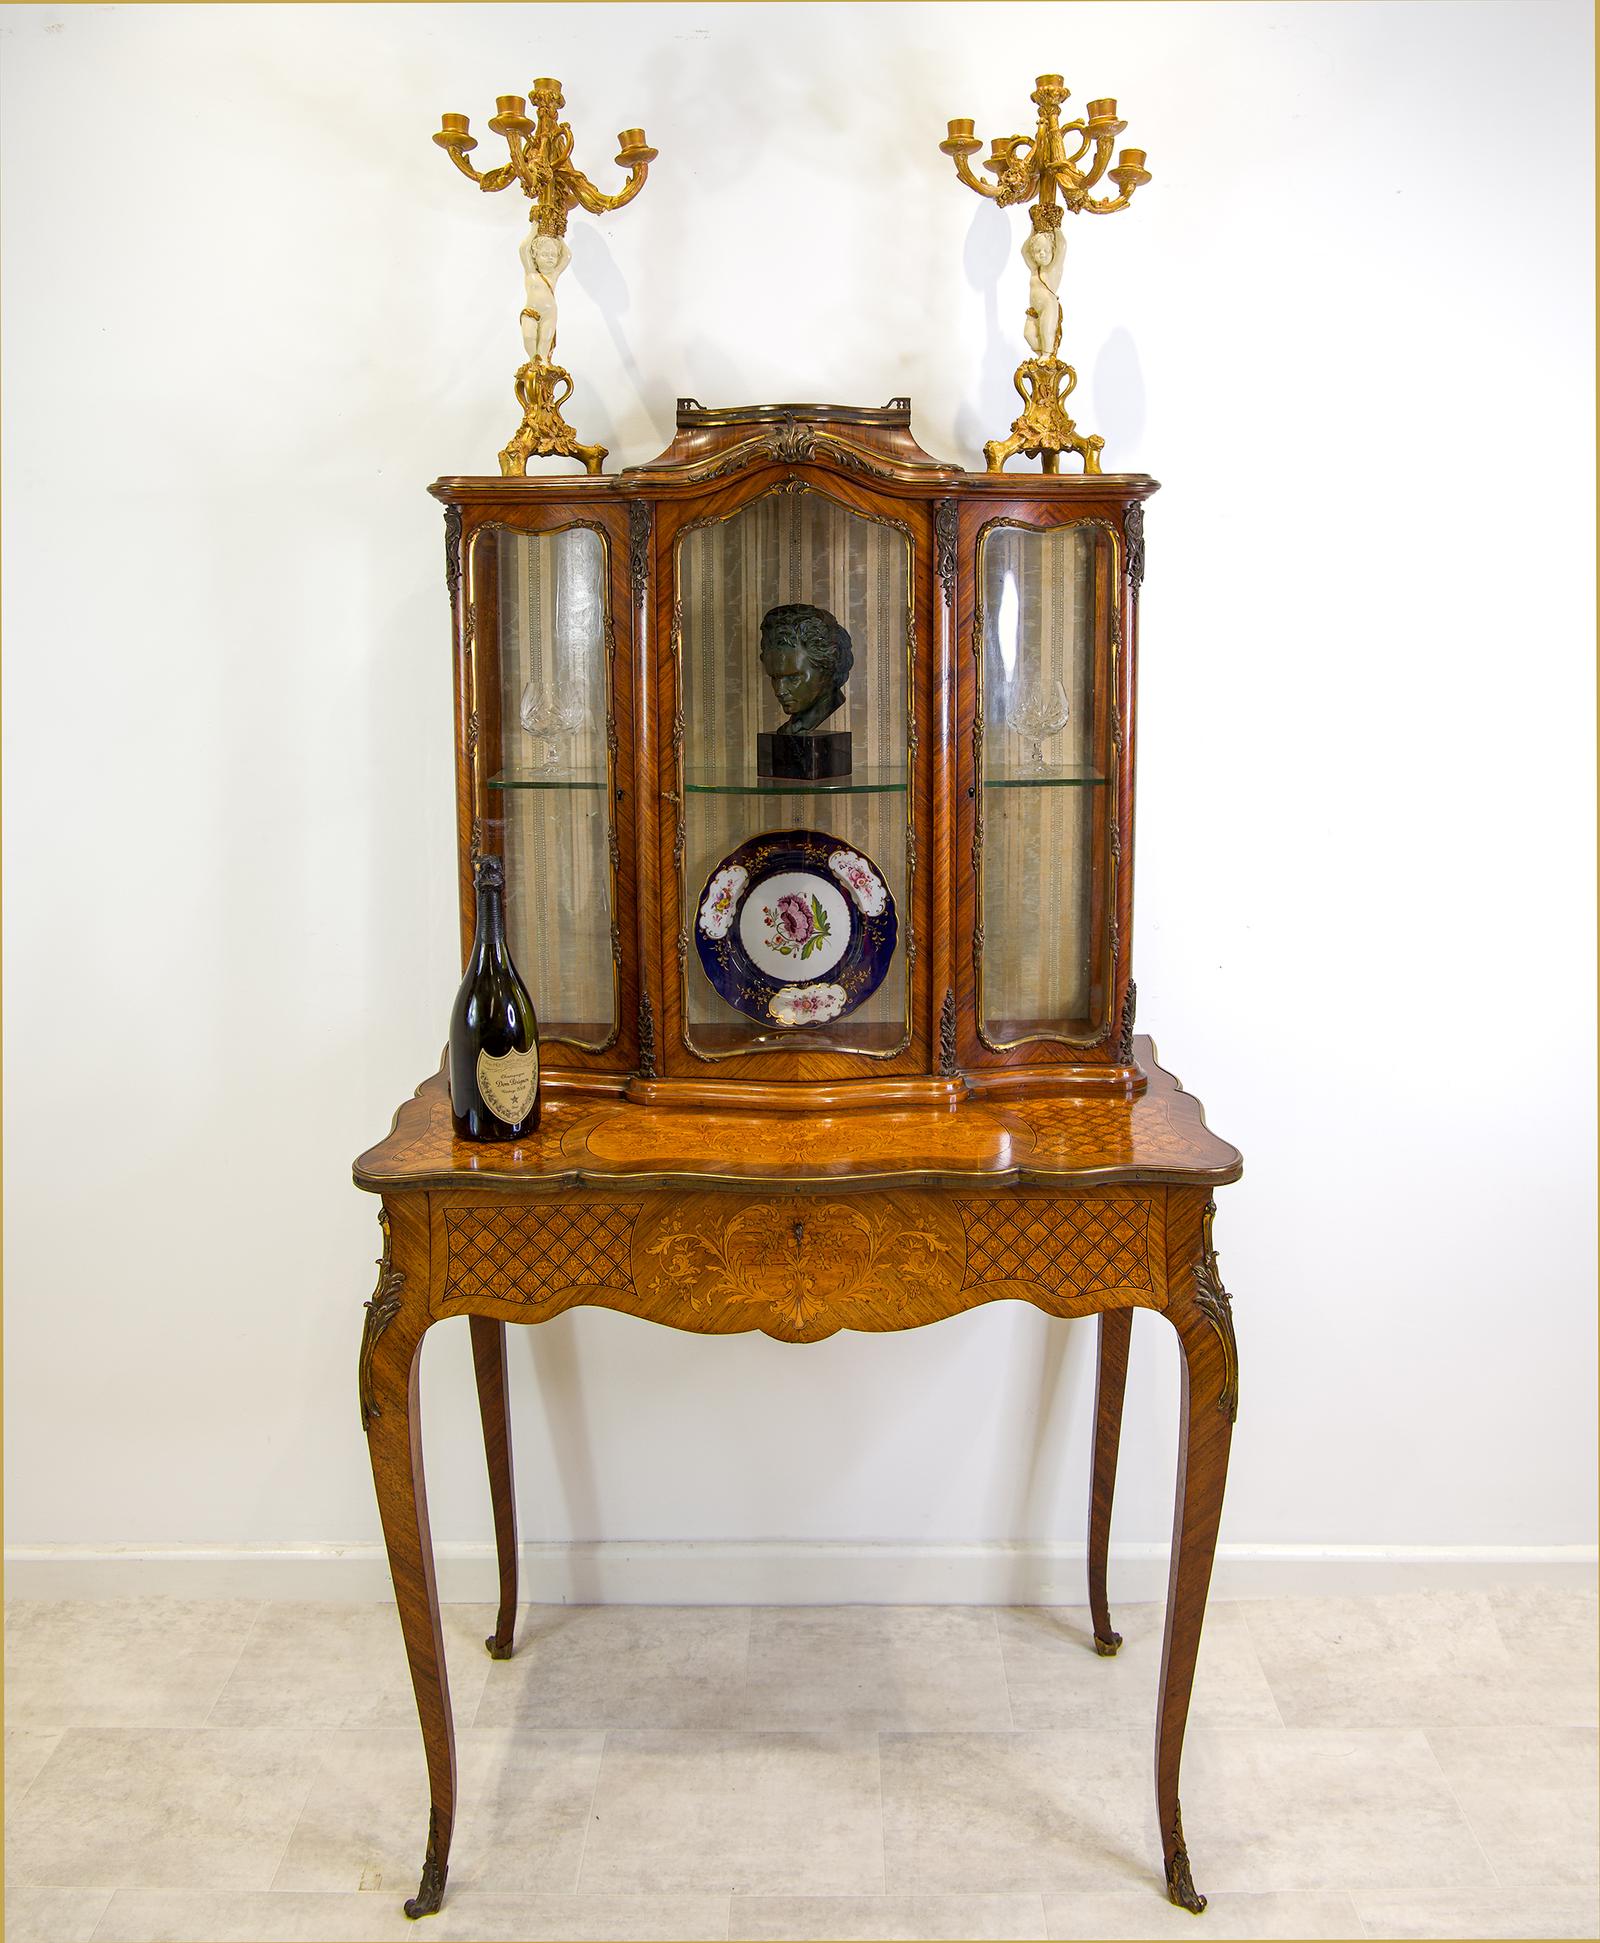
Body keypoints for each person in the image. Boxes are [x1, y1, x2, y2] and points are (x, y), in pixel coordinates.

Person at [758, 603, 854, 736]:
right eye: (774, 678)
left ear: (827, 667)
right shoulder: (792, 727)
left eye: (793, 677)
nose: (779, 690)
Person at [519, 228, 571, 365]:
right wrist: (533, 229)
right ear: (535, 256)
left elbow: (567, 257)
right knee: (528, 337)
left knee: (545, 341)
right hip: (531, 311)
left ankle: (542, 366)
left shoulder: (553, 275)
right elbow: (524, 249)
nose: (550, 257)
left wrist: (560, 237)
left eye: (553, 255)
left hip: (549, 313)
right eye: (545, 254)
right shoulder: (531, 273)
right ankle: (532, 363)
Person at [1022, 222, 1065, 360]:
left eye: (1046, 250)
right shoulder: (1035, 269)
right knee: (1028, 334)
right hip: (1034, 309)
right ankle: (1042, 356)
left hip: (1048, 306)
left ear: (1053, 251)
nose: (1042, 254)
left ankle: (1046, 355)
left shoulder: (1053, 268)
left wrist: (1056, 227)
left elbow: (1062, 247)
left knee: (1046, 332)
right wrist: (1032, 232)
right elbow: (1024, 251)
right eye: (1038, 251)